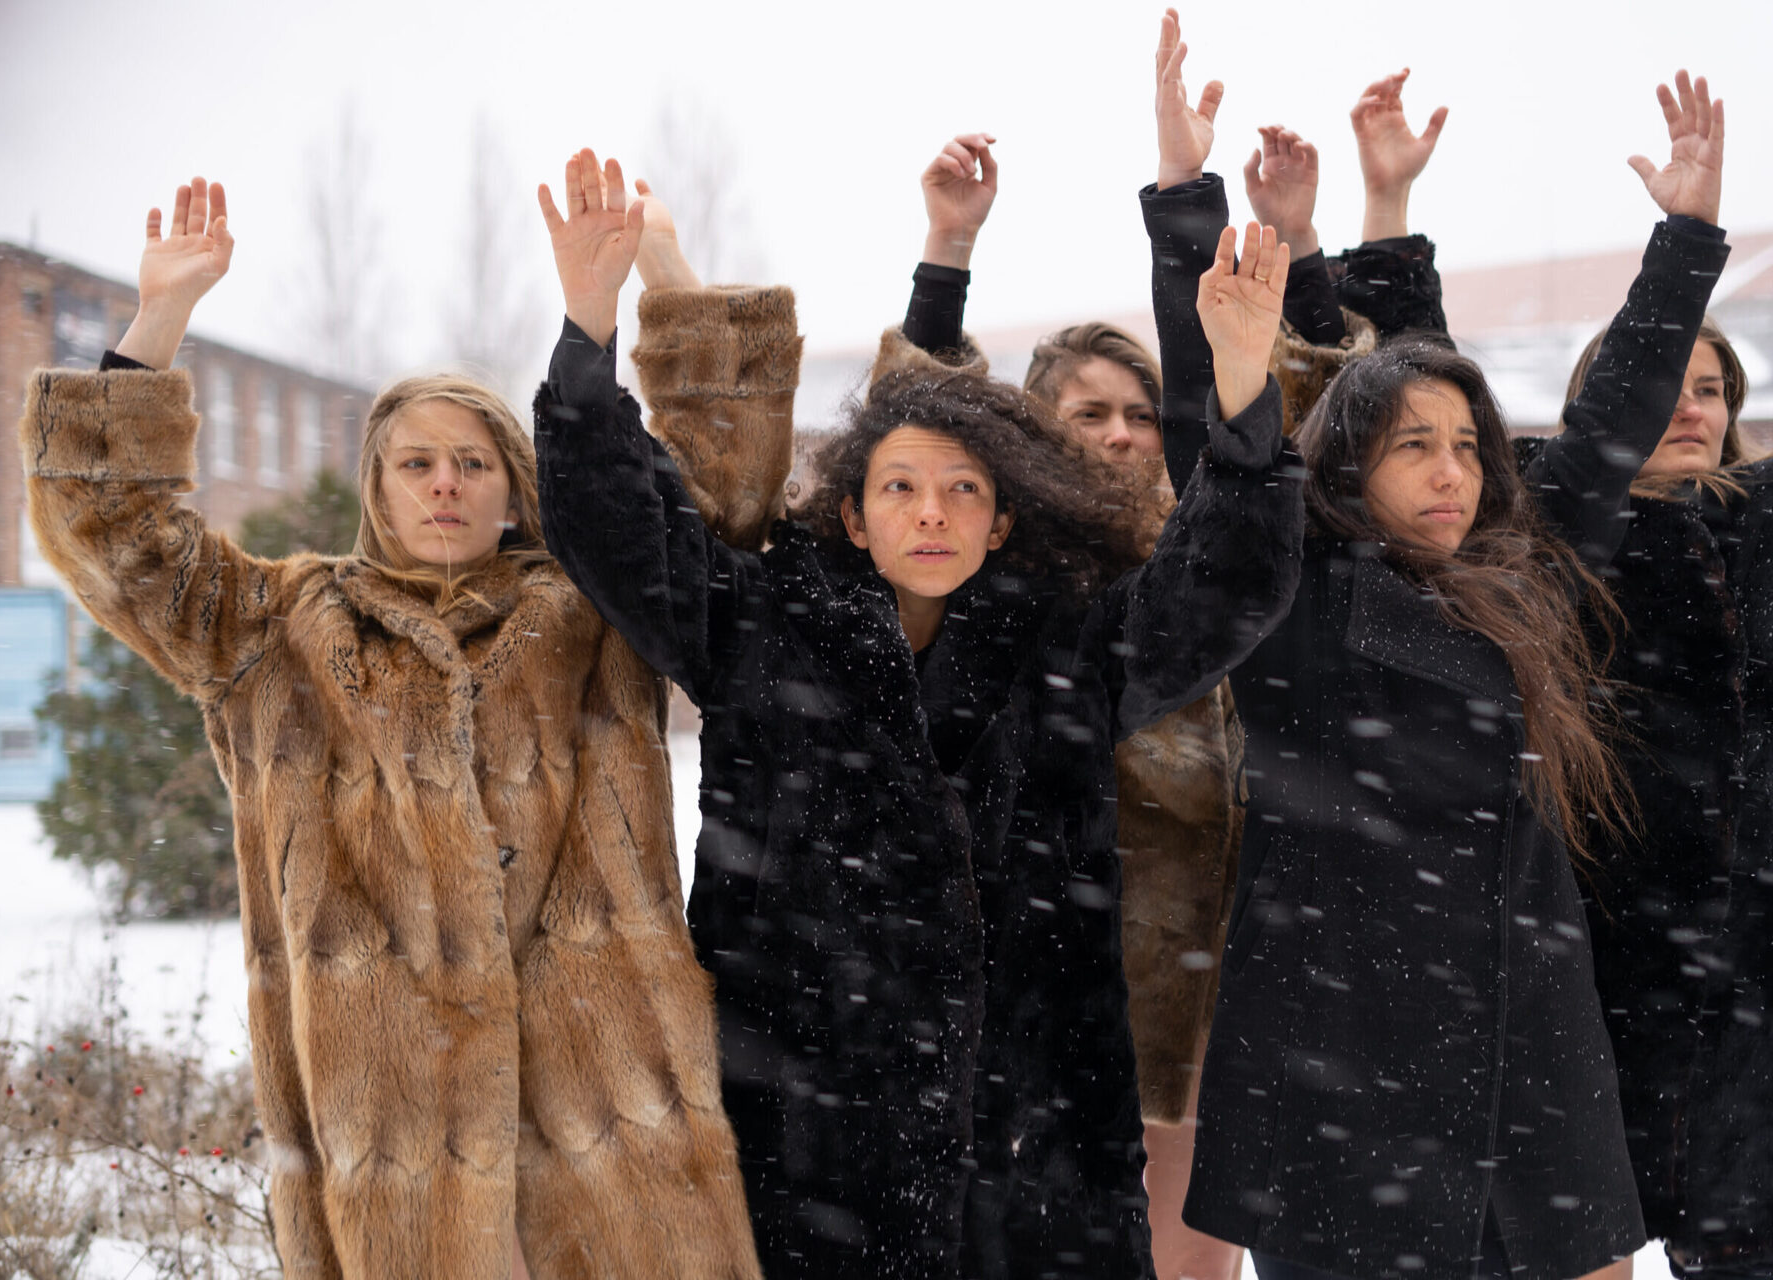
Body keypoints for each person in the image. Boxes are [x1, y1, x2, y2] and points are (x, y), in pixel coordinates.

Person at [531, 146, 1307, 1279]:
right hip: (811, 1149)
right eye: (900, 487)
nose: (931, 514)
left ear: (1003, 520)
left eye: (963, 491)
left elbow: (1223, 587)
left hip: (1035, 1152)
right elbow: (617, 529)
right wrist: (588, 325)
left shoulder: (1070, 645)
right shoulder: (763, 627)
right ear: (853, 515)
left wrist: (1241, 387)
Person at [19, 177, 760, 1279]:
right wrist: (159, 317)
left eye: (473, 462)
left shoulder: (598, 608)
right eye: (417, 463)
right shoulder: (276, 628)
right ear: (376, 483)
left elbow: (724, 500)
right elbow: (109, 532)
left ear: (514, 484)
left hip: (617, 1150)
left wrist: (662, 276)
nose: (445, 485)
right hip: (395, 1166)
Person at [1144, 48, 1733, 1279]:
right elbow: (1225, 463)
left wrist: (1683, 239)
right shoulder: (1292, 589)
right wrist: (1190, 208)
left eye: (1466, 444)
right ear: (1350, 464)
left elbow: (1610, 426)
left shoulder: (1522, 572)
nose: (1452, 471)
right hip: (1344, 1074)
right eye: (1415, 446)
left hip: (1531, 1051)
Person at [1546, 107, 1773, 1276]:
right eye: (1665, 381)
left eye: (1711, 387)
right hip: (1592, 989)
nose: (1691, 405)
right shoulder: (1550, 544)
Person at [891, 107, 1247, 1280]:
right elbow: (915, 428)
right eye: (1089, 412)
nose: (1123, 434)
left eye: (1140, 414)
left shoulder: (1202, 576)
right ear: (1035, 431)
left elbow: (1233, 439)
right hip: (1037, 985)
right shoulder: (993, 575)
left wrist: (1189, 197)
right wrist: (947, 252)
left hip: (1195, 979)